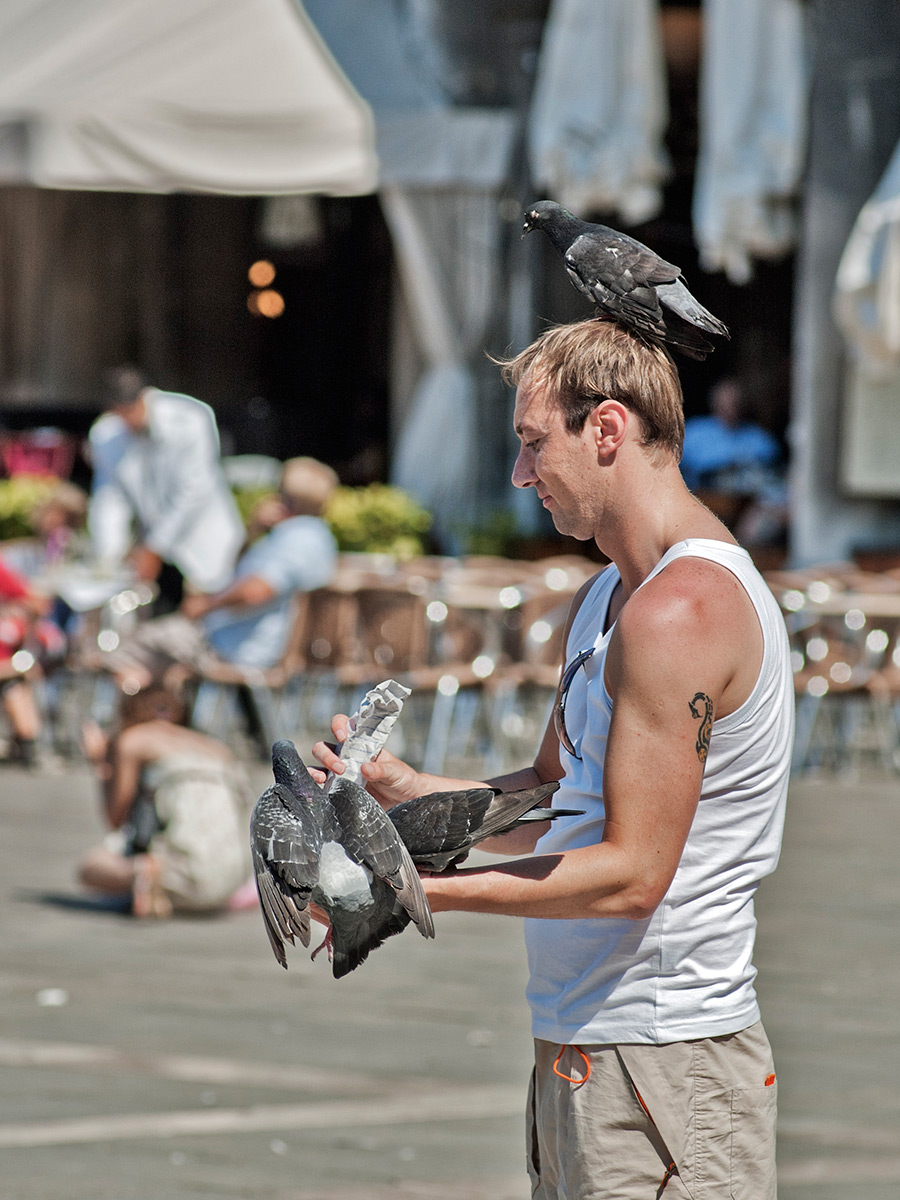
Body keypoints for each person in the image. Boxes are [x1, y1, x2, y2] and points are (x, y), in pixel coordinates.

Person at [314, 319, 793, 1199]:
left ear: (606, 430)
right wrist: (407, 797)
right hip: (584, 1044)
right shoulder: (609, 594)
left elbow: (633, 874)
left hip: (665, 1057)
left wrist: (408, 891)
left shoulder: (682, 609)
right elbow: (551, 793)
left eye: (535, 443)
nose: (520, 474)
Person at [102, 456, 339, 692]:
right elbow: (243, 574)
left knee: (129, 649)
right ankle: (159, 719)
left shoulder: (293, 538)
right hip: (258, 648)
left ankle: (133, 723)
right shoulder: (321, 538)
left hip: (236, 648)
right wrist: (254, 530)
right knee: (166, 661)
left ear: (289, 498)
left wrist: (206, 605)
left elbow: (257, 591)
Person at [78, 684, 253, 917]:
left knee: (92, 866)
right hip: (234, 878)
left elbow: (115, 819)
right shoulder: (217, 747)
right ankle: (161, 886)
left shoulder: (133, 741)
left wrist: (100, 763)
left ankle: (147, 876)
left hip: (189, 872)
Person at [87, 365, 245, 610]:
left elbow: (194, 491)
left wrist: (155, 547)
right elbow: (109, 498)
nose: (126, 420)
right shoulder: (105, 434)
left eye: (129, 410)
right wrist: (108, 557)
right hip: (155, 558)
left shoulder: (190, 417)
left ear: (143, 397)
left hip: (203, 548)